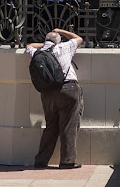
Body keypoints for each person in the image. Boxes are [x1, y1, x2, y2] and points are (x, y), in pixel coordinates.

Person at [26, 28, 83, 169]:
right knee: (68, 126)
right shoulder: (63, 48)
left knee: (50, 126)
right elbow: (78, 38)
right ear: (59, 41)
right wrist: (60, 31)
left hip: (46, 93)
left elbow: (29, 46)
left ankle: (41, 160)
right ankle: (67, 161)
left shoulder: (36, 53)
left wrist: (45, 44)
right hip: (67, 90)